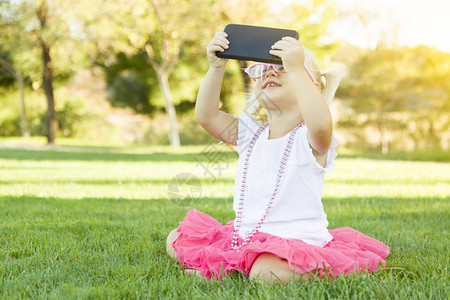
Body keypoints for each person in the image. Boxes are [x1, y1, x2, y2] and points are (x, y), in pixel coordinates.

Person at [166, 31, 390, 283]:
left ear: (311, 88)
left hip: (295, 241)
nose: (270, 72)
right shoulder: (250, 132)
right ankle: (235, 266)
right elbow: (206, 116)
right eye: (261, 69)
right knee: (175, 238)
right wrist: (216, 68)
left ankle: (244, 271)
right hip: (246, 236)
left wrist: (296, 69)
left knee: (266, 272)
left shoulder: (311, 138)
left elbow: (321, 123)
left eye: (283, 66)